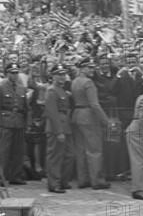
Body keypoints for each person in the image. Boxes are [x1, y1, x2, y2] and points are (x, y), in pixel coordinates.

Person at [71, 57, 111, 190]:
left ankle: (83, 179)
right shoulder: (88, 82)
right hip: (89, 116)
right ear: (82, 68)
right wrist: (105, 121)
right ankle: (97, 180)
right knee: (94, 150)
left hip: (77, 115)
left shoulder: (75, 81)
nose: (92, 70)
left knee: (81, 149)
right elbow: (94, 104)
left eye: (93, 67)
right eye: (89, 67)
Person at [0, 62, 28, 185]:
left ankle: (15, 176)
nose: (15, 75)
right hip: (5, 123)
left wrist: (27, 123)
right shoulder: (0, 87)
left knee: (18, 151)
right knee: (4, 152)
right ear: (7, 74)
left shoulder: (21, 88)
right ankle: (1, 177)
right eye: (12, 73)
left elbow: (26, 107)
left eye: (17, 72)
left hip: (18, 122)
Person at [44, 64, 74, 193]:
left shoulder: (61, 90)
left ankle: (63, 181)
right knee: (55, 156)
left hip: (65, 125)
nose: (62, 77)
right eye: (59, 74)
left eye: (63, 74)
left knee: (70, 154)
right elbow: (52, 113)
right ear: (53, 76)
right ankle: (54, 184)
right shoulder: (52, 90)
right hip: (57, 127)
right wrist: (59, 131)